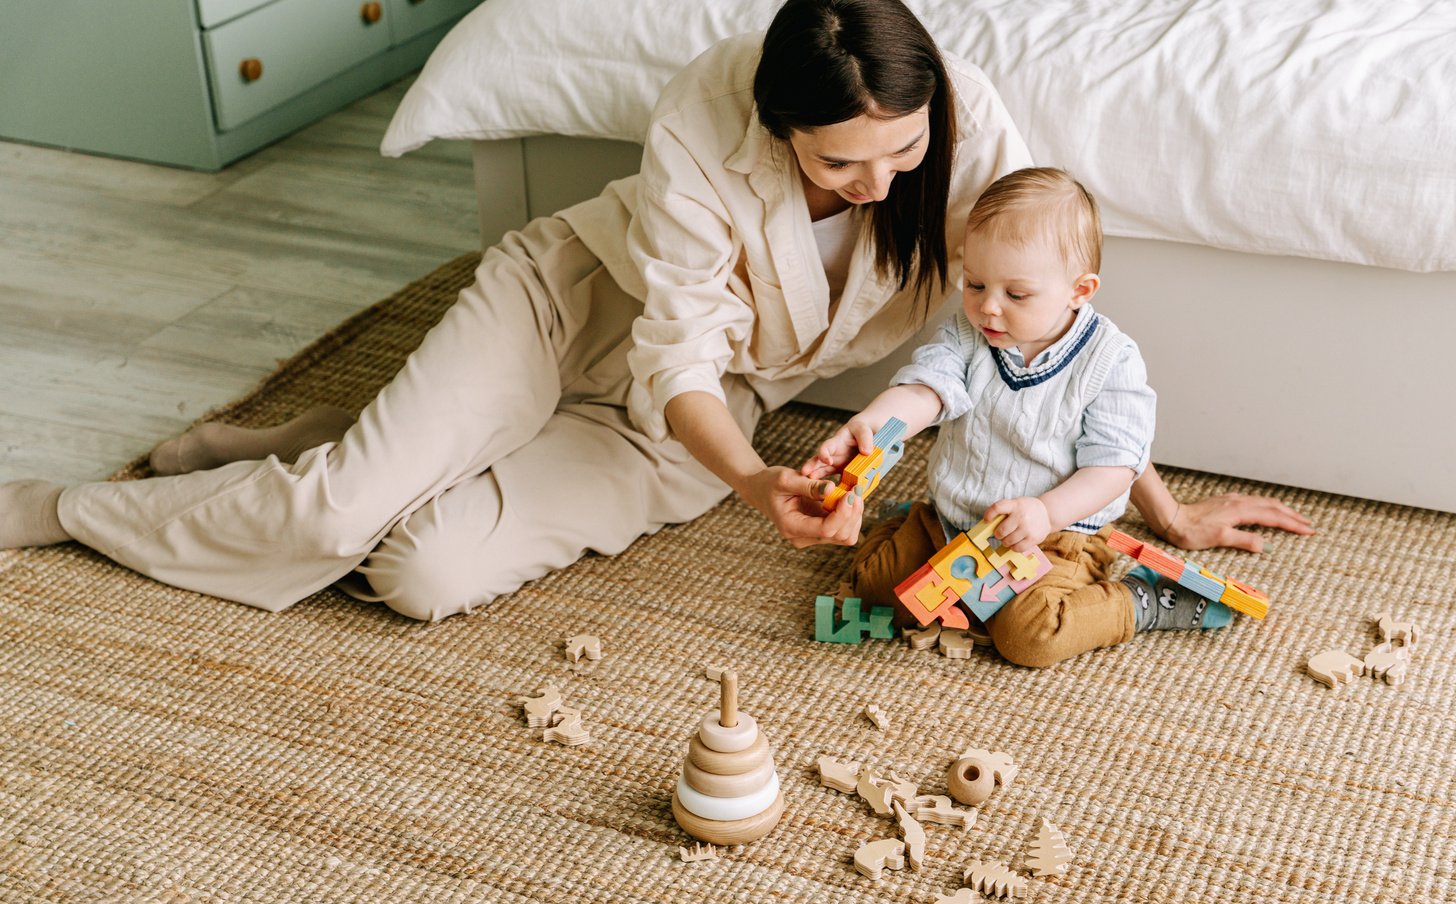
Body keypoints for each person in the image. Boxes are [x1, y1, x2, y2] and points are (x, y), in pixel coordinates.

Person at [0, 0, 1311, 623]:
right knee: (342, 512)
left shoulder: (959, 129)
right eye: (840, 163)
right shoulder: (703, 111)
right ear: (775, 120)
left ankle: (304, 444)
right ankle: (66, 509)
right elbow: (674, 339)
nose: (881, 182)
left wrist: (1163, 507)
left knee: (418, 572)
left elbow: (1046, 352)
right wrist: (752, 481)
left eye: (898, 150)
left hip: (704, 409)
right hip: (580, 312)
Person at [805, 167, 1274, 667]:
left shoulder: (1110, 361)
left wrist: (1046, 512)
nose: (988, 307)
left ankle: (1139, 603)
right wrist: (874, 424)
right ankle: (904, 523)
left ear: (1080, 290)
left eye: (1016, 294)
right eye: (975, 283)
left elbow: (1115, 468)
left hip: (1057, 535)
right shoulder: (968, 334)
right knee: (875, 593)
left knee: (1030, 637)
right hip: (952, 519)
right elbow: (927, 390)